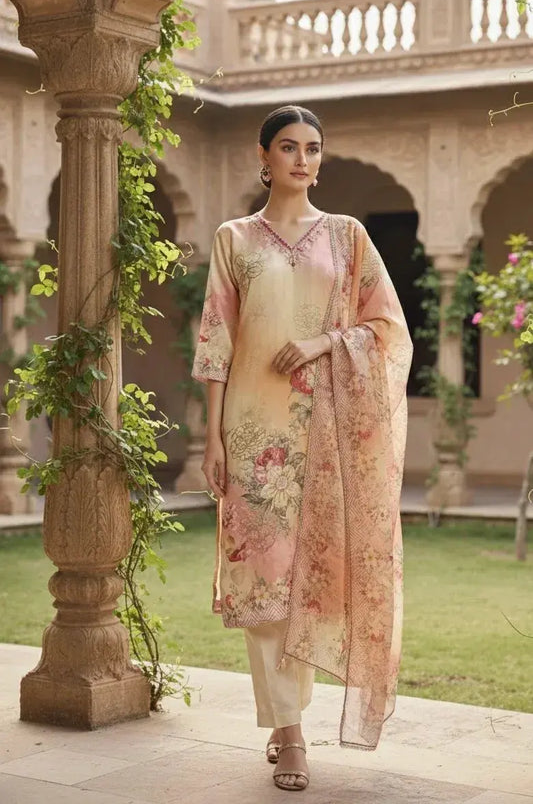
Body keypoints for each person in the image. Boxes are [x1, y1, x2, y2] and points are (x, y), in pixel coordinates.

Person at [192, 104, 413, 792]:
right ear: (264, 155)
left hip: (327, 438)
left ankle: (291, 715)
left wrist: (323, 341)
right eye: (287, 147)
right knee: (263, 588)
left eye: (311, 148)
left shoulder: (346, 237)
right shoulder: (235, 238)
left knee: (313, 585)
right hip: (254, 432)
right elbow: (215, 344)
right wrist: (214, 438)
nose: (301, 159)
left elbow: (386, 325)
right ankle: (287, 733)